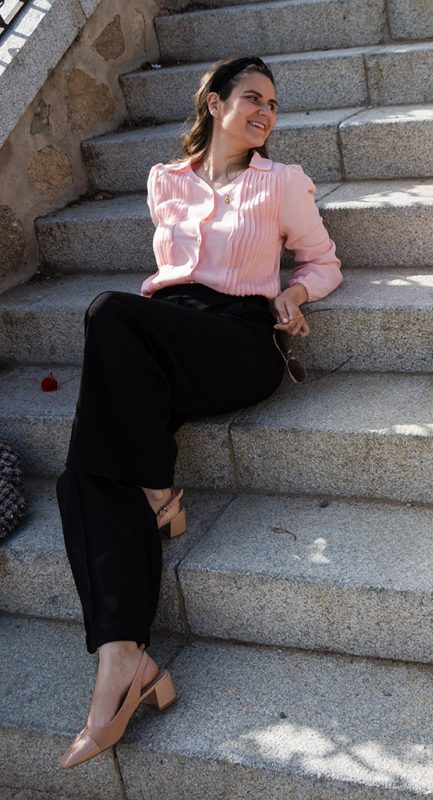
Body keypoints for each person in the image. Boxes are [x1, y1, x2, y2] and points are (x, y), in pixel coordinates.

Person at [56, 56, 342, 769]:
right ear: (214, 104)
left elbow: (322, 259)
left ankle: (160, 488)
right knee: (84, 476)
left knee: (106, 317)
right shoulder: (167, 181)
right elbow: (168, 284)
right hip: (163, 337)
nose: (265, 113)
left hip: (238, 342)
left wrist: (294, 296)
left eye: (272, 104)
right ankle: (125, 659)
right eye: (251, 98)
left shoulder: (282, 182)